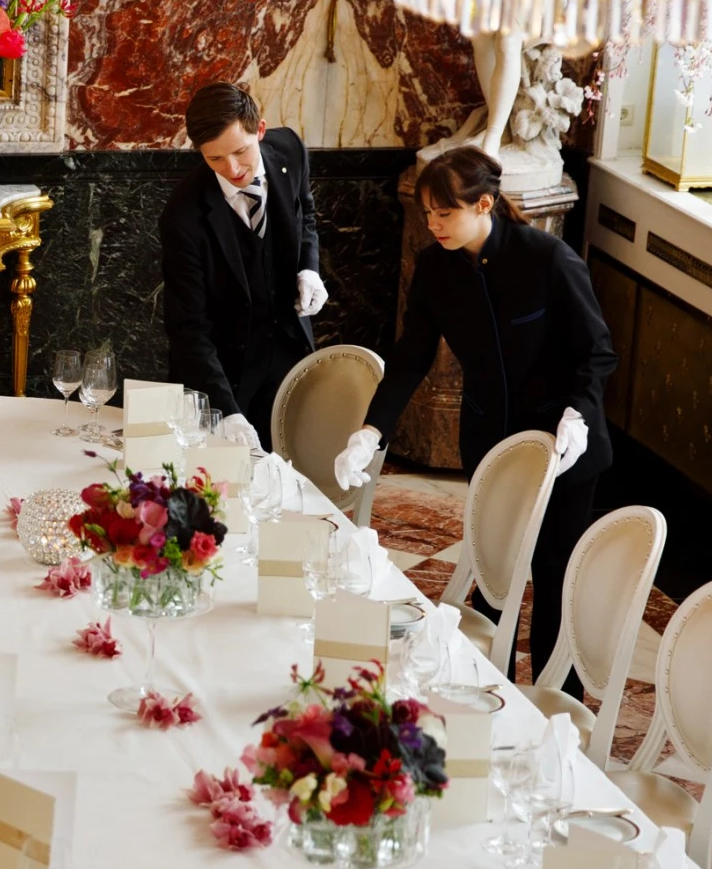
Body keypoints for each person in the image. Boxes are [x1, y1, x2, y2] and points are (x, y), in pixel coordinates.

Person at [331, 146, 616, 688]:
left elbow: (598, 352)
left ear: (484, 204)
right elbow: (411, 356)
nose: (434, 224)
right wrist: (371, 432)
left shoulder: (548, 259)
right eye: (428, 214)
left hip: (565, 446)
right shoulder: (436, 270)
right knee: (493, 576)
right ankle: (490, 695)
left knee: (556, 577)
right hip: (490, 442)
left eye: (446, 213)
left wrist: (577, 415)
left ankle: (558, 703)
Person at [158, 82, 327, 441]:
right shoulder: (182, 216)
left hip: (289, 350)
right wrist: (226, 411)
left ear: (260, 131)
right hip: (225, 371)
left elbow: (305, 212)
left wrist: (309, 268)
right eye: (214, 158)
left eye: (240, 151)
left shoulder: (290, 151)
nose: (232, 168)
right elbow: (188, 327)